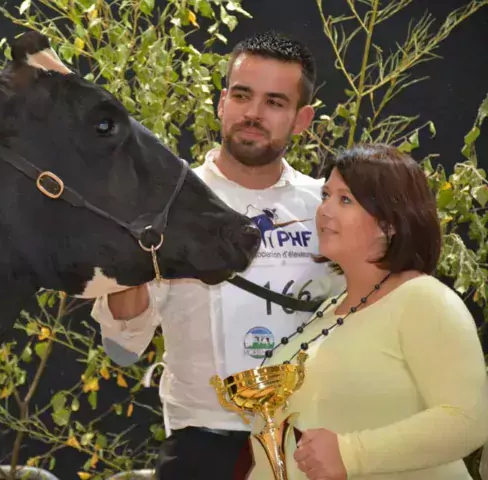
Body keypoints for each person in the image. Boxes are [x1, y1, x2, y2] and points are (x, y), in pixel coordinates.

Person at [90, 31, 346, 479]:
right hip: (201, 447)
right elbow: (123, 348)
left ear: (302, 119)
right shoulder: (164, 204)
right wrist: (127, 247)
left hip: (307, 443)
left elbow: (358, 319)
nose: (253, 114)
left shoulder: (323, 207)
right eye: (243, 95)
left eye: (275, 102)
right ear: (222, 102)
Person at [250, 144, 488, 480]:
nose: (325, 210)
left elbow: (469, 419)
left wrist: (352, 453)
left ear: (390, 223)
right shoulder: (330, 311)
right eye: (326, 195)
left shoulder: (424, 300)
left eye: (345, 200)